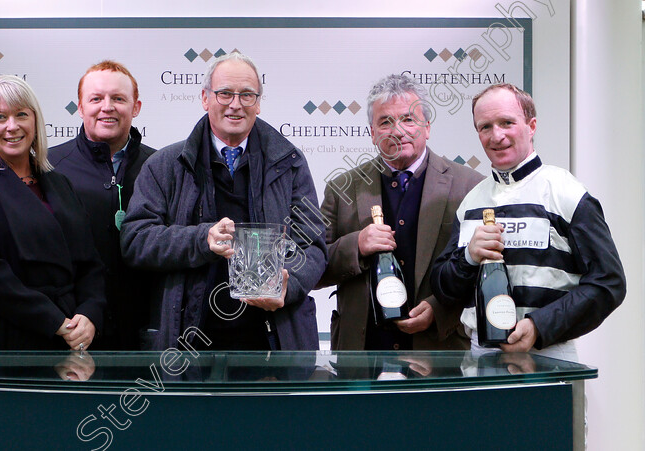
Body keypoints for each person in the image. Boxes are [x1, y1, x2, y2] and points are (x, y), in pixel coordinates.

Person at [120, 52, 327, 351]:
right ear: (205, 98)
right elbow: (136, 240)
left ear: (258, 102)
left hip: (274, 341)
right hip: (188, 344)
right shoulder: (164, 165)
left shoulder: (290, 163)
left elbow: (313, 244)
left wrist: (288, 284)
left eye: (247, 95)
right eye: (225, 93)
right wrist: (201, 239)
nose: (235, 104)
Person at [430, 83, 626, 360]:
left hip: (549, 353)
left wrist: (539, 326)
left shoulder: (566, 193)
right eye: (485, 127)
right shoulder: (472, 203)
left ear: (531, 126)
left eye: (507, 122)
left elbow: (609, 283)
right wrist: (468, 258)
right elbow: (444, 291)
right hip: (479, 357)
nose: (496, 136)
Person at [320, 73, 484, 351]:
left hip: (439, 352)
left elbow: (482, 269)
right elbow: (313, 266)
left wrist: (439, 308)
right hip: (362, 353)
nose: (398, 131)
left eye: (409, 119)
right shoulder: (341, 188)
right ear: (372, 133)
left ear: (427, 127)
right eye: (385, 122)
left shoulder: (469, 186)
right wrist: (356, 246)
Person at [0, 75, 106, 351]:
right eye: (0, 117)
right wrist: (56, 321)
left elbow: (90, 263)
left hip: (65, 340)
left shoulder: (60, 183)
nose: (12, 126)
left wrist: (90, 314)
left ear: (35, 122)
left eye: (21, 115)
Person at [49, 61, 156, 350]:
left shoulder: (162, 167)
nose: (106, 107)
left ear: (136, 107)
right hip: (70, 332)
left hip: (145, 334)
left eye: (118, 98)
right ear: (80, 107)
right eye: (96, 98)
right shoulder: (48, 168)